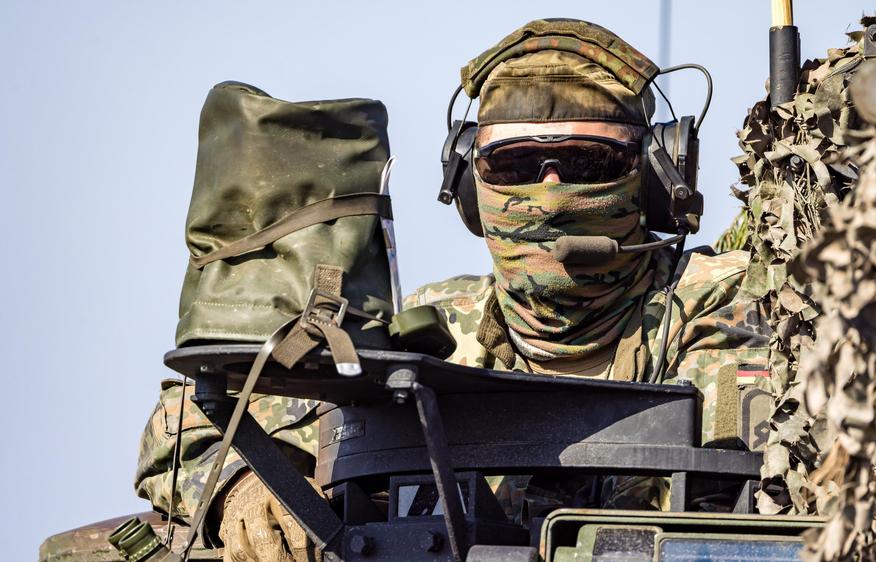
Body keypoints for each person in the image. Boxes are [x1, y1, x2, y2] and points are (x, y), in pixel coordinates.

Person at [41, 18, 773, 562]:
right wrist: (245, 486)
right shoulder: (436, 325)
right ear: (466, 186)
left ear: (654, 177)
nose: (551, 198)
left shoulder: (728, 308)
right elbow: (191, 422)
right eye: (518, 167)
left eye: (583, 160)